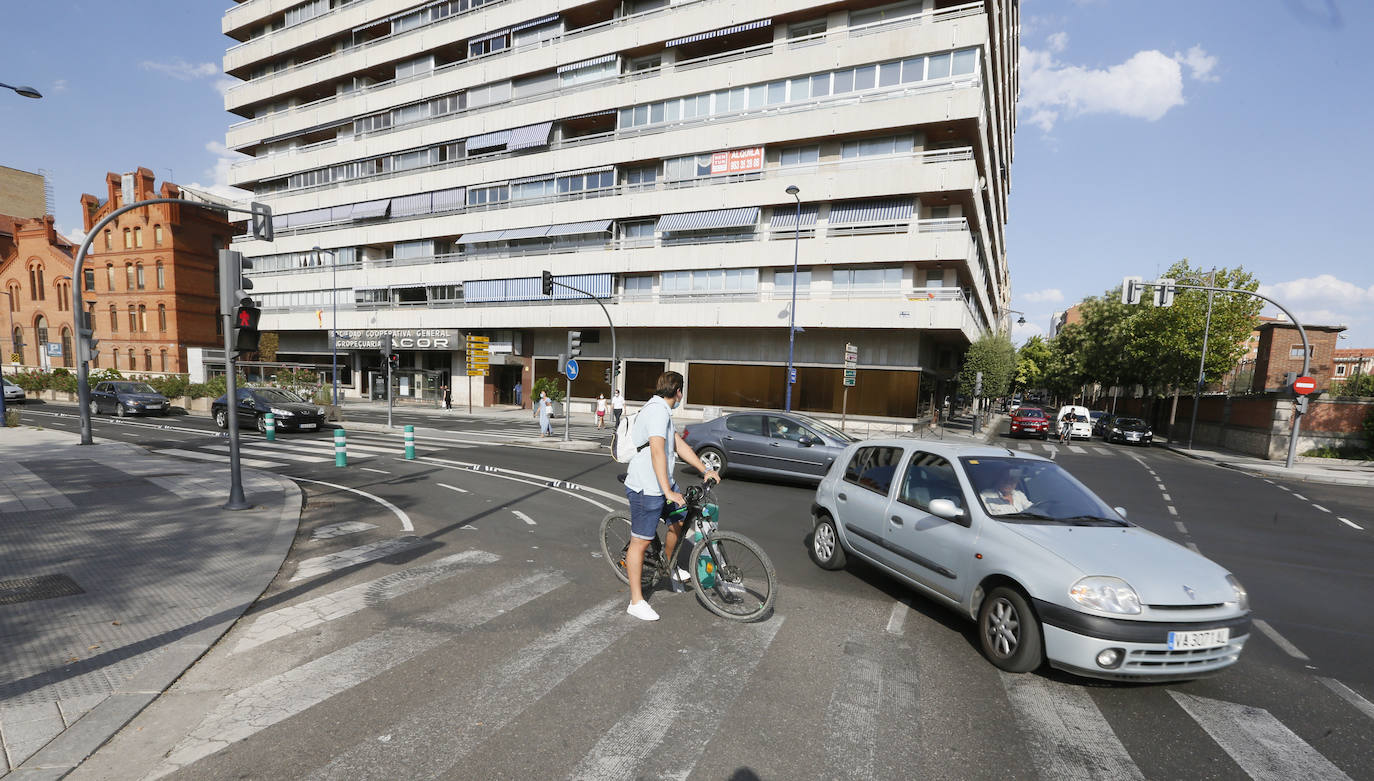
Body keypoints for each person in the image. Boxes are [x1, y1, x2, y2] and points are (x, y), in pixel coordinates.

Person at [622, 371, 720, 621]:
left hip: (663, 483)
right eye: (681, 391)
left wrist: (704, 469)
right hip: (647, 487)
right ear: (678, 391)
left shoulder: (664, 412)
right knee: (640, 542)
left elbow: (678, 445)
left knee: (678, 522)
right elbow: (657, 451)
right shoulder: (655, 411)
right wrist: (667, 492)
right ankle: (636, 601)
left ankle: (669, 565)